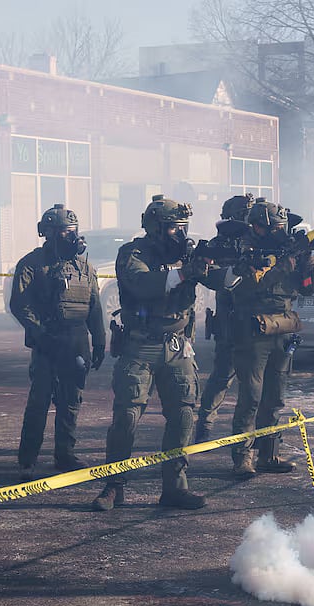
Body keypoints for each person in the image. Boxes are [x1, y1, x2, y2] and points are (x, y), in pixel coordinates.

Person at [91, 195, 219, 511]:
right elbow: (144, 285)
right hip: (139, 345)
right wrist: (186, 272)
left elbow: (224, 283)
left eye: (183, 227)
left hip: (177, 347)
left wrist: (241, 267)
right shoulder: (132, 254)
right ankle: (114, 486)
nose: (181, 234)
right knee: (126, 418)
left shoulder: (186, 256)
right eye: (175, 228)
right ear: (157, 228)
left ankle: (175, 487)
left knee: (183, 416)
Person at [10, 204, 106, 479]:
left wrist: (99, 342)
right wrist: (41, 335)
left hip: (77, 342)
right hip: (48, 342)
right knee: (39, 402)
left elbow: (95, 306)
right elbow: (20, 304)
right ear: (49, 233)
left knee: (71, 401)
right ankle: (28, 460)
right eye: (65, 231)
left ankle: (65, 455)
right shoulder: (32, 263)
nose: (71, 237)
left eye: (73, 231)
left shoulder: (85, 267)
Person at [229, 198, 314, 478]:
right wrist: (283, 265)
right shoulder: (244, 250)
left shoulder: (285, 252)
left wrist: (306, 261)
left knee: (275, 398)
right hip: (254, 329)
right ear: (258, 227)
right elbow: (248, 288)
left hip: (283, 327)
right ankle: (243, 457)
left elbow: (308, 290)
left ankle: (269, 453)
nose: (281, 232)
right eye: (276, 227)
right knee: (251, 397)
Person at [193, 193, 254, 444]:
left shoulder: (258, 241)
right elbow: (213, 275)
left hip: (255, 317)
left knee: (254, 382)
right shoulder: (222, 243)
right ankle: (204, 428)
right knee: (222, 377)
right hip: (230, 317)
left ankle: (257, 435)